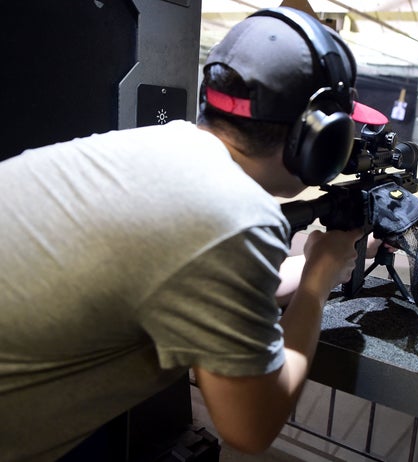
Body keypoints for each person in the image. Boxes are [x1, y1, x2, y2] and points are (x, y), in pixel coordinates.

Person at [0, 7, 390, 461]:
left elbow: (206, 283)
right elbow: (251, 427)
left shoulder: (160, 145)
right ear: (318, 139)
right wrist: (316, 287)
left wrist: (316, 263)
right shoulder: (235, 214)